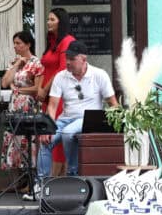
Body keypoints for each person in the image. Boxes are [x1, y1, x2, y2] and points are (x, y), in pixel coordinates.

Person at [37, 40, 118, 178]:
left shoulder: (99, 75)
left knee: (68, 133)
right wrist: (47, 128)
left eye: (72, 59)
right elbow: (52, 106)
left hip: (88, 119)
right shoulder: (60, 76)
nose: (68, 62)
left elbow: (113, 104)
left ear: (83, 59)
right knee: (45, 141)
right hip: (65, 119)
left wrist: (120, 126)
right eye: (67, 58)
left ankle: (72, 175)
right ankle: (41, 183)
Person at [0, 31, 44, 187]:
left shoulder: (36, 63)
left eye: (18, 43)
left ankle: (30, 182)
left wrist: (19, 90)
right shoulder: (14, 62)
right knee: (14, 139)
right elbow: (5, 83)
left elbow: (37, 88)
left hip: (28, 105)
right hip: (14, 105)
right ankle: (17, 182)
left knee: (27, 140)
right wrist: (17, 64)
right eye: (14, 43)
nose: (15, 46)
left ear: (28, 44)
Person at [36, 8, 76, 176]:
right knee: (45, 136)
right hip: (47, 97)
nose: (48, 22)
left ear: (61, 21)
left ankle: (57, 178)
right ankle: (46, 178)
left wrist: (45, 89)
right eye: (48, 19)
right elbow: (46, 67)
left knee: (54, 136)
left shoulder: (67, 41)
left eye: (52, 19)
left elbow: (61, 69)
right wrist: (39, 88)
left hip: (58, 97)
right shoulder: (53, 42)